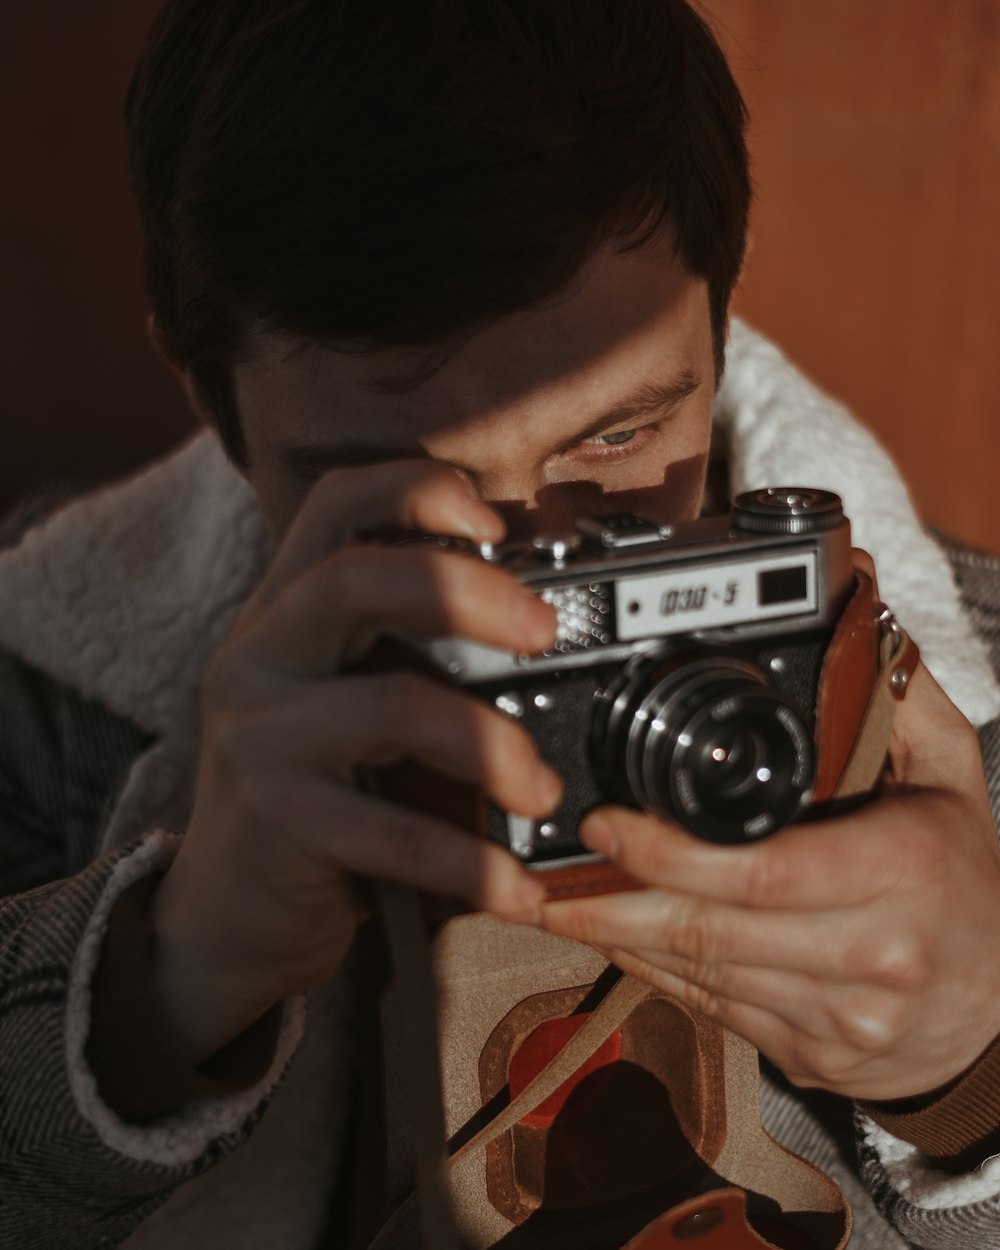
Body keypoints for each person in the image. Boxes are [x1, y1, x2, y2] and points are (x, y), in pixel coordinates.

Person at [1, 1, 999, 1247]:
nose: (532, 566)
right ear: (208, 396)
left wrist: (971, 1072)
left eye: (621, 438)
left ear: (719, 317)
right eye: (394, 487)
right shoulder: (31, 682)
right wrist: (155, 984)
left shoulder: (973, 678)